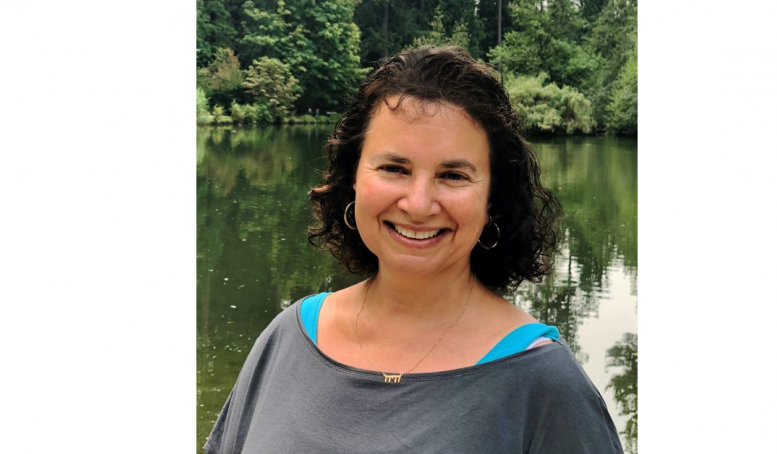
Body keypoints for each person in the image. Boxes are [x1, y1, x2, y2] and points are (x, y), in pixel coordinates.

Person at [204, 46, 623, 454]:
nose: (419, 205)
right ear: (353, 178)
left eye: (453, 175)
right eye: (394, 168)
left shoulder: (543, 382)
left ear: (492, 199)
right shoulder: (288, 338)